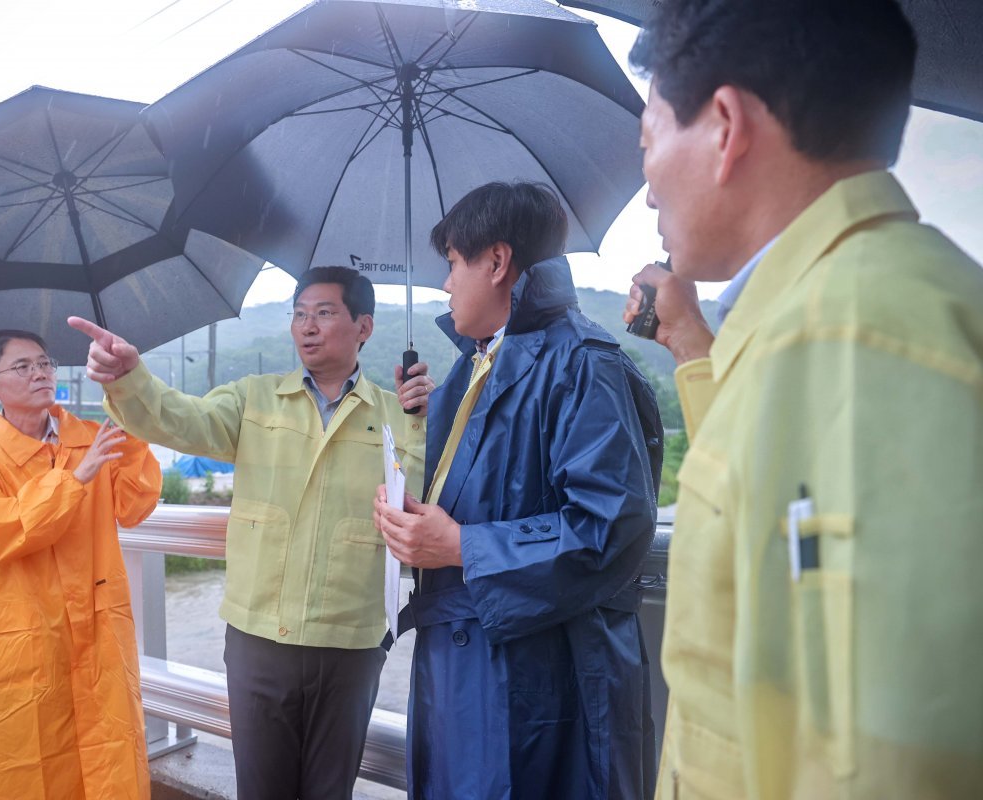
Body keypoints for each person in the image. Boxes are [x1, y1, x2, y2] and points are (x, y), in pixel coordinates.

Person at [621, 1, 983, 797]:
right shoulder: (837, 317)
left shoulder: (864, 340)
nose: (647, 191)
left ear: (725, 126)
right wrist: (691, 344)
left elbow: (886, 767)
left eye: (648, 143)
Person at [68, 266, 432, 800]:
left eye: (324, 313)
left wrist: (419, 419)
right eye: (299, 314)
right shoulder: (254, 398)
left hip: (351, 640)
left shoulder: (395, 413)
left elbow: (421, 500)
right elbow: (179, 420)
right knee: (261, 789)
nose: (307, 326)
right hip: (259, 637)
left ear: (364, 327)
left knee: (330, 791)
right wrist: (129, 377)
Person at [375, 182, 664, 799]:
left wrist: (460, 546)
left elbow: (608, 526)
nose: (446, 284)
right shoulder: (472, 368)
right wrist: (416, 520)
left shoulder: (583, 362)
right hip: (466, 665)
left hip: (538, 677)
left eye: (454, 263)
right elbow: (472, 502)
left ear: (497, 261)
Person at [0, 330, 162, 799]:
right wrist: (74, 480)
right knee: (24, 772)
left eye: (45, 363)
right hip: (18, 645)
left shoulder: (91, 439)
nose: (39, 373)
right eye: (22, 366)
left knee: (109, 766)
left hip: (98, 641)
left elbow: (135, 504)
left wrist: (128, 403)